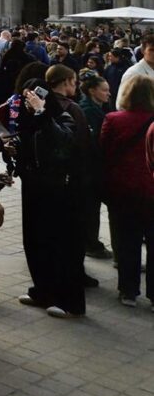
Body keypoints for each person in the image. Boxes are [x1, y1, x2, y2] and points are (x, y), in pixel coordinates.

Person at [14, 75, 86, 318]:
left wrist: (42, 112)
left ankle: (68, 300)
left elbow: (63, 140)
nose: (29, 102)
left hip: (59, 188)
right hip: (36, 184)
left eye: (33, 97)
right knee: (35, 241)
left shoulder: (63, 113)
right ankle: (43, 290)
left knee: (60, 245)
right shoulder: (32, 117)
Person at [99, 75, 154, 307]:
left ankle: (128, 291)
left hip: (123, 190)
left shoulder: (113, 119)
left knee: (127, 241)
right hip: (151, 190)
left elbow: (103, 152)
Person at [79, 72, 114, 260]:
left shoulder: (100, 107)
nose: (108, 93)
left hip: (97, 168)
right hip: (92, 169)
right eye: (105, 90)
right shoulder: (88, 111)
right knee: (91, 209)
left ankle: (92, 242)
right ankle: (91, 244)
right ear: (93, 91)